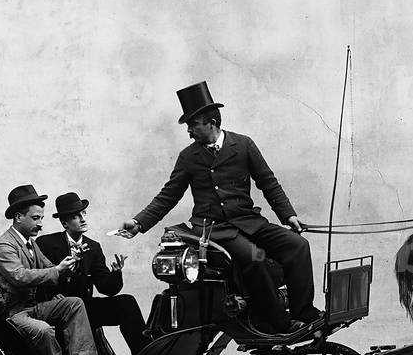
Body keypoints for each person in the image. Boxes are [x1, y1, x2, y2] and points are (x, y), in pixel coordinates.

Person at [120, 81, 322, 334]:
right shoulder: (188, 157)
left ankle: (304, 312)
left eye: (193, 125)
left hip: (249, 221)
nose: (189, 131)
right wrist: (139, 223)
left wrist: (288, 215)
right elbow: (167, 196)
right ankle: (279, 323)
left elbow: (268, 183)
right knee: (256, 257)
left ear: (212, 123)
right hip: (214, 229)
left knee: (298, 245)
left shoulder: (244, 144)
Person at [0, 184, 108, 355]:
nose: (41, 224)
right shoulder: (4, 245)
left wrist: (72, 262)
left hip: (31, 307)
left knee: (74, 303)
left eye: (41, 218)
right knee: (43, 330)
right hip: (11, 313)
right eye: (36, 218)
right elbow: (20, 277)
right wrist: (57, 270)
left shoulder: (30, 243)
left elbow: (49, 267)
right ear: (18, 217)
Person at [36, 192, 149, 355]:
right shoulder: (46, 243)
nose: (82, 219)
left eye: (83, 214)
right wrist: (51, 296)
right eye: (75, 216)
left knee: (127, 302)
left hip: (84, 308)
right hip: (58, 308)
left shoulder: (93, 247)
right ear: (65, 223)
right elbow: (37, 276)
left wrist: (116, 273)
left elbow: (106, 289)